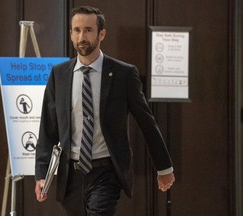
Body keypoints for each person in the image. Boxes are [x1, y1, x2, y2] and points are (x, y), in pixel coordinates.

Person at [35, 6, 175, 216]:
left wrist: (164, 168)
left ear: (102, 33)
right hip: (70, 174)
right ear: (71, 34)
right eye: (77, 30)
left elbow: (147, 122)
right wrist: (42, 173)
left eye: (88, 30)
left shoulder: (123, 74)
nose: (82, 36)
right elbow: (47, 128)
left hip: (106, 171)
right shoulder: (59, 74)